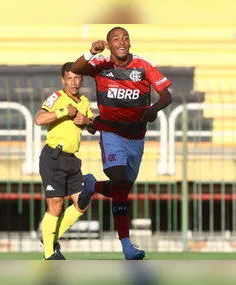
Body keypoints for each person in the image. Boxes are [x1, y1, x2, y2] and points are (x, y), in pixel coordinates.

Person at [71, 26, 173, 260]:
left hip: (136, 137)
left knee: (121, 188)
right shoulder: (102, 65)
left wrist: (153, 110)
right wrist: (90, 52)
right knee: (119, 183)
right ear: (109, 43)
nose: (122, 41)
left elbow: (167, 96)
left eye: (125, 37)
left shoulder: (143, 65)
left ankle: (92, 186)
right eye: (115, 38)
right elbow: (77, 68)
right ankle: (127, 246)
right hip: (111, 133)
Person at [35, 62, 95, 260]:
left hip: (71, 159)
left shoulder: (85, 102)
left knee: (82, 202)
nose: (73, 82)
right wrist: (63, 112)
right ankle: (49, 255)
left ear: (82, 79)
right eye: (69, 78)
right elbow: (39, 118)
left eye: (77, 78)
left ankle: (50, 238)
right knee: (56, 205)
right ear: (63, 80)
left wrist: (87, 121)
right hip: (53, 156)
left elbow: (94, 126)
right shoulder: (57, 98)